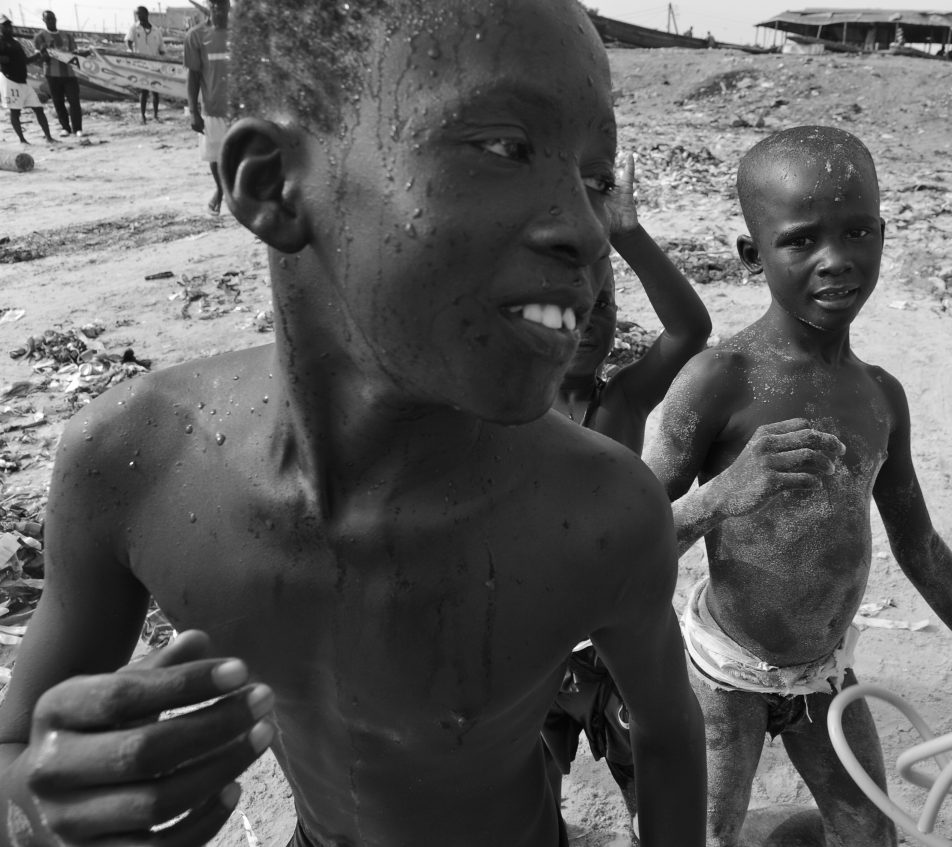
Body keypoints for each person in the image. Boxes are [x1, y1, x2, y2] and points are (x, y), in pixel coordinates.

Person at [0, 2, 708, 846]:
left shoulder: (599, 514)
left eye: (594, 177)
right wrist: (32, 808)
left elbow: (665, 736)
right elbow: (20, 745)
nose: (588, 232)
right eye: (504, 147)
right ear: (270, 185)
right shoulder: (133, 466)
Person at [648, 125, 952, 847]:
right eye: (801, 240)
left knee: (869, 834)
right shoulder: (718, 380)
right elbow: (625, 536)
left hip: (824, 672)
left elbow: (922, 547)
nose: (837, 261)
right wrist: (721, 493)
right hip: (727, 675)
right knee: (702, 837)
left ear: (884, 232)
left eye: (858, 232)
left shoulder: (881, 397)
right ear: (753, 254)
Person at [542, 151, 712, 841]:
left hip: (622, 650)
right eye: (565, 307)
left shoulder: (624, 403)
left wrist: (629, 236)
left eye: (601, 304)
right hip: (536, 648)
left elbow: (689, 330)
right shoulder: (499, 412)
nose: (586, 321)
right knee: (527, 793)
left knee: (653, 786)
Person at [184, 0, 229, 215]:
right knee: (215, 157)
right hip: (212, 109)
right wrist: (193, 112)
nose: (220, 8)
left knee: (245, 154)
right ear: (208, 6)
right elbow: (193, 77)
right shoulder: (196, 36)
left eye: (224, 3)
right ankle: (221, 191)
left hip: (242, 110)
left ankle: (237, 197)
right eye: (216, 4)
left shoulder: (243, 33)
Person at [0, 15, 54, 144]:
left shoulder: (15, 42)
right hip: (9, 80)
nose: (8, 27)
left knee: (38, 108)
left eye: (9, 25)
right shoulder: (1, 41)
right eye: (5, 25)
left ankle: (49, 137)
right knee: (15, 111)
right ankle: (22, 140)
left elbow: (25, 61)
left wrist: (39, 55)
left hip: (22, 80)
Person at [33, 10, 83, 138]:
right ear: (44, 20)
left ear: (56, 19)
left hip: (69, 73)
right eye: (48, 19)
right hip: (52, 74)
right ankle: (65, 127)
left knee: (74, 101)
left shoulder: (67, 35)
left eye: (52, 18)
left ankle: (78, 128)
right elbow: (38, 59)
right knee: (58, 102)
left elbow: (74, 53)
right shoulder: (40, 37)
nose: (51, 20)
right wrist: (44, 52)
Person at [125, 5, 166, 123]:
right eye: (137, 14)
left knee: (155, 90)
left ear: (146, 14)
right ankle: (143, 116)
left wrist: (163, 61)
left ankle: (155, 115)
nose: (138, 16)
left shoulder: (156, 30)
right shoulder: (134, 28)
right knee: (143, 90)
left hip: (155, 64)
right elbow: (128, 41)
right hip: (141, 64)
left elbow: (162, 48)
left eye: (140, 14)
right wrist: (130, 51)